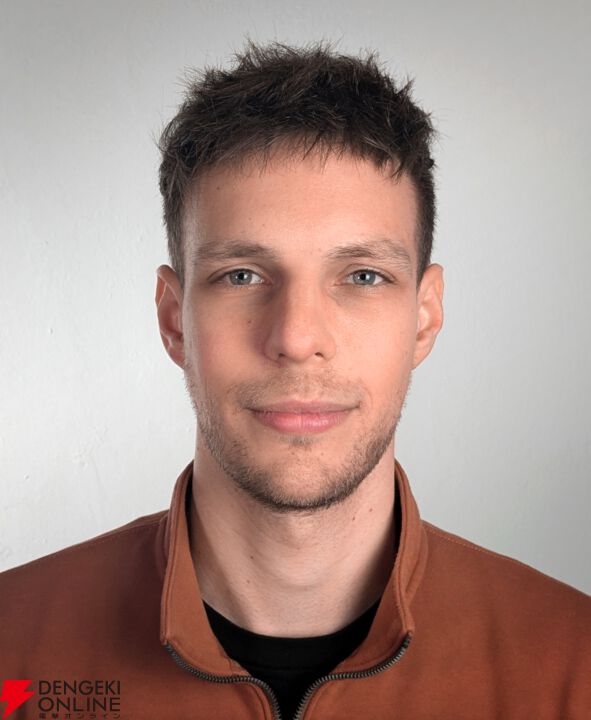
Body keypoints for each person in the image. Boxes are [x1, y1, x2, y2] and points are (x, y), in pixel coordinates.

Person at [1, 39, 589, 720]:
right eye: (241, 275)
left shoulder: (573, 666)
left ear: (424, 318)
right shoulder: (14, 652)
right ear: (173, 320)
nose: (296, 337)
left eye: (362, 275)